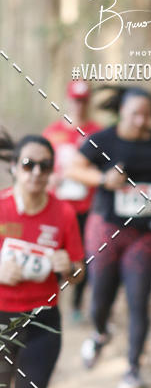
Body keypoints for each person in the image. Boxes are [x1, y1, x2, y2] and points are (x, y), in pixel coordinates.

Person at [66, 87, 151, 388]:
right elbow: (74, 169)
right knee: (100, 297)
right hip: (106, 227)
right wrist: (103, 179)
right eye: (135, 114)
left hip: (146, 232)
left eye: (147, 114)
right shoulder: (103, 140)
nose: (141, 120)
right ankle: (101, 332)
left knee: (139, 300)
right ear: (122, 112)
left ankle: (132, 369)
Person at [0, 132, 84, 388]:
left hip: (42, 323)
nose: (36, 173)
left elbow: (80, 270)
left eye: (44, 166)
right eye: (28, 164)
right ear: (15, 168)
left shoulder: (63, 213)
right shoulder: (1, 208)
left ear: (52, 172)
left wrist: (71, 269)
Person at [43, 80, 101, 321]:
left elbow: (104, 169)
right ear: (68, 101)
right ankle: (48, 303)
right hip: (58, 207)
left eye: (84, 101)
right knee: (55, 255)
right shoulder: (52, 132)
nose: (79, 106)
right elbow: (41, 164)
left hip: (89, 207)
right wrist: (51, 178)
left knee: (85, 256)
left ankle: (77, 304)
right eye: (75, 100)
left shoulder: (97, 133)